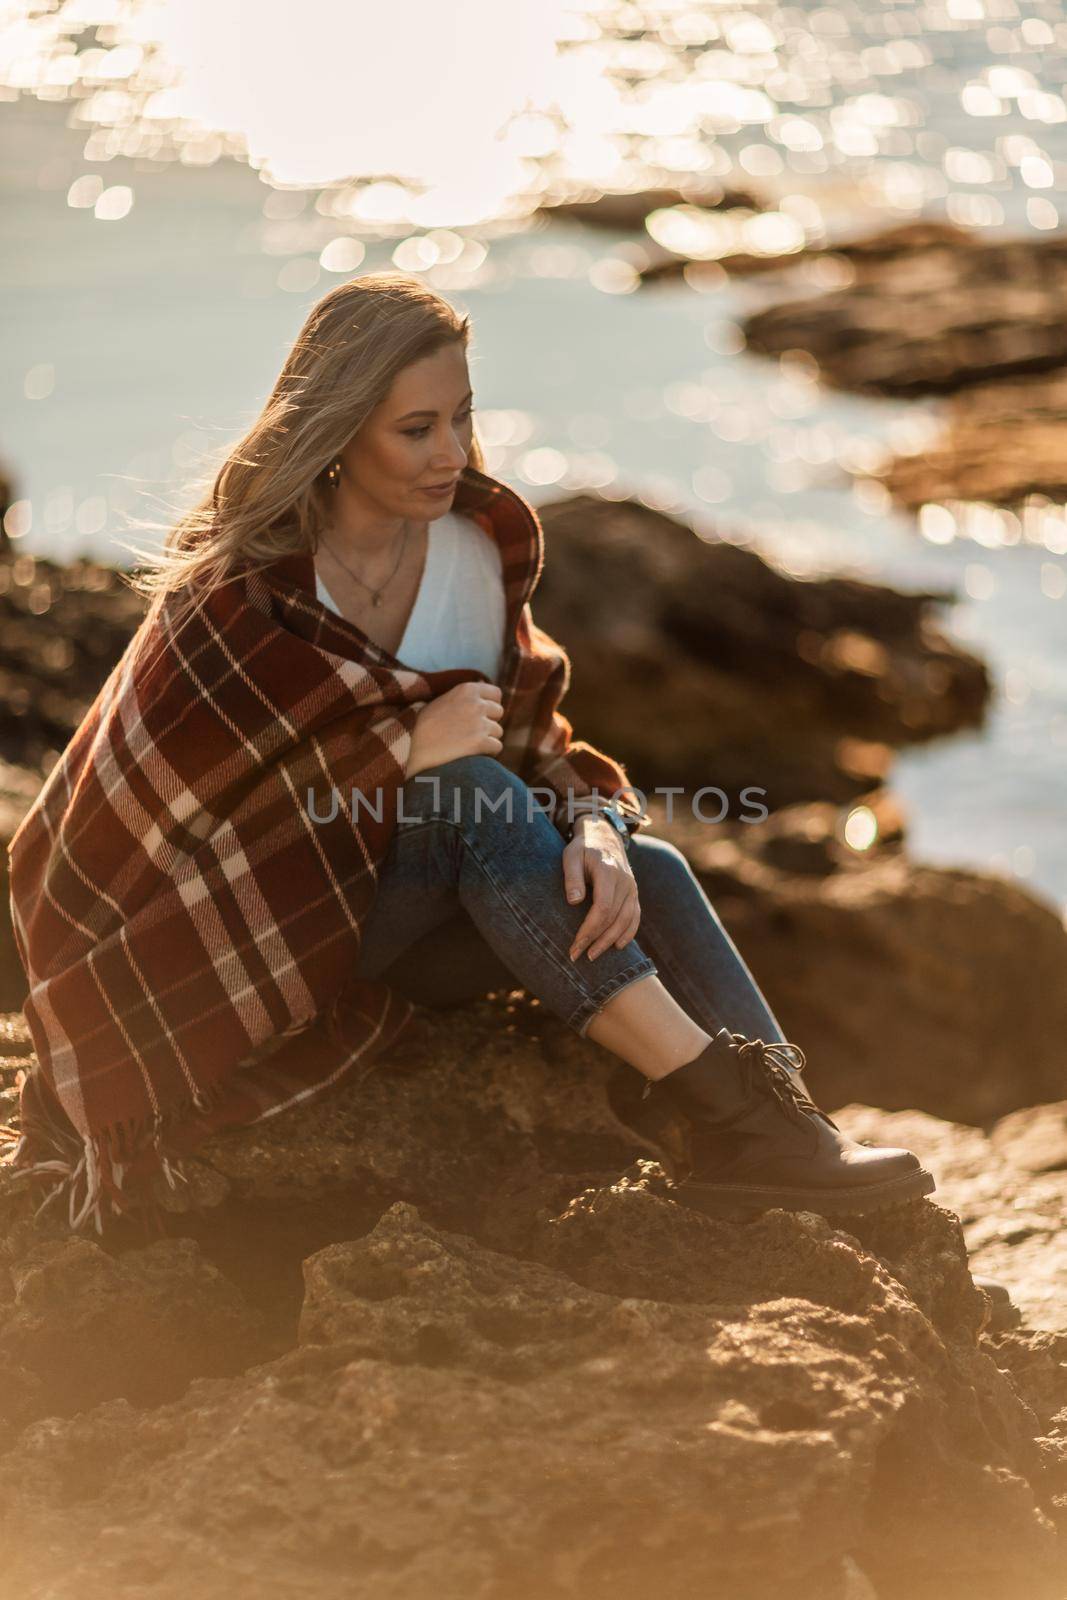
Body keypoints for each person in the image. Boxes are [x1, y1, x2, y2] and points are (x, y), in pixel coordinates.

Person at [2, 272, 935, 1237]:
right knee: (464, 794)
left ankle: (778, 1130)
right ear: (336, 428)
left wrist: (597, 832)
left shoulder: (474, 553)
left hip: (409, 933)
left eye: (462, 417)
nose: (451, 452)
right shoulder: (240, 592)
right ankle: (737, 1115)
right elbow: (181, 826)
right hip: (252, 942)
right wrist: (404, 750)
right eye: (416, 429)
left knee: (646, 868)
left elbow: (544, 750)